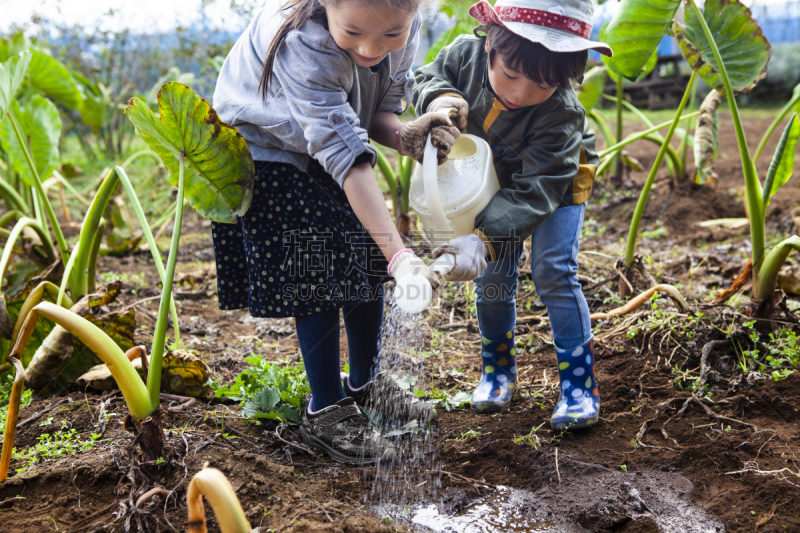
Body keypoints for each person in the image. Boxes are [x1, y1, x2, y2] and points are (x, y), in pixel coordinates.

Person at [211, 0, 460, 464]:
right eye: (353, 32)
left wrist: (408, 134)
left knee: (366, 261)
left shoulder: (398, 24)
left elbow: (374, 112)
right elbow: (345, 155)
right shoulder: (300, 41)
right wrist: (402, 256)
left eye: (390, 36)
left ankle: (365, 385)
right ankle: (324, 408)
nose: (371, 48)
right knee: (317, 274)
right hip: (268, 151)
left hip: (327, 142)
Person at [413, 0, 612, 429]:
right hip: (493, 176)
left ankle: (579, 385)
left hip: (553, 183)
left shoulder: (562, 114)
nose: (519, 93)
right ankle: (497, 370)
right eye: (511, 75)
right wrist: (441, 101)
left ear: (562, 79)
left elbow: (535, 191)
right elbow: (427, 75)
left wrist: (481, 238)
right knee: (493, 276)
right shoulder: (464, 56)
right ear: (490, 46)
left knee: (553, 270)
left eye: (541, 85)